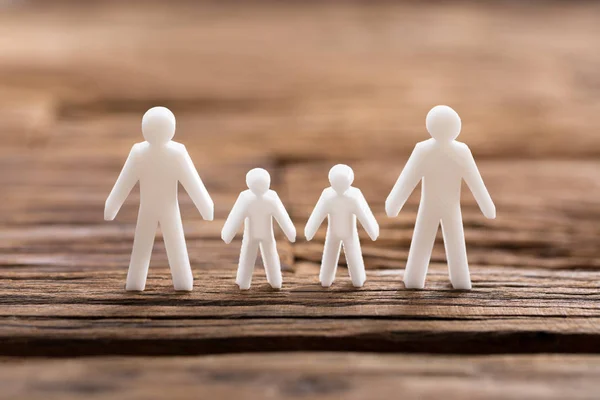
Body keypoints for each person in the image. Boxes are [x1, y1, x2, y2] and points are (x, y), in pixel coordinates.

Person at [385, 105, 495, 290]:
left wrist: (394, 203)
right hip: (438, 206)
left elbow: (474, 180)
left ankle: (423, 279)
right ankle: (447, 280)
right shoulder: (440, 150)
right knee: (448, 241)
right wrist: (486, 206)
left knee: (441, 241)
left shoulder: (447, 151)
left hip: (440, 206)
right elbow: (408, 178)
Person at [104, 107, 213, 291]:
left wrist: (112, 205)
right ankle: (174, 282)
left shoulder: (171, 153)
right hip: (154, 208)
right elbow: (125, 180)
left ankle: (149, 283)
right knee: (159, 244)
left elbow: (191, 180)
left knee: (157, 244)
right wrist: (205, 206)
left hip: (161, 208)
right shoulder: (144, 153)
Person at [305, 164, 379, 288]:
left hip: (349, 233)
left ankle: (358, 280)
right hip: (333, 233)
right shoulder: (328, 196)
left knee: (353, 256)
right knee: (330, 256)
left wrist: (372, 230)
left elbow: (364, 213)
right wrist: (310, 230)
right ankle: (326, 280)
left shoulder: (354, 196)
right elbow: (318, 213)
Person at [222, 168, 296, 290]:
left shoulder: (255, 197)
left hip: (259, 235)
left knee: (260, 256)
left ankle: (263, 282)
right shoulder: (252, 198)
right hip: (258, 235)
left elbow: (281, 215)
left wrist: (228, 233)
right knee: (261, 256)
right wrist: (290, 232)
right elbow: (236, 216)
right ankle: (263, 282)